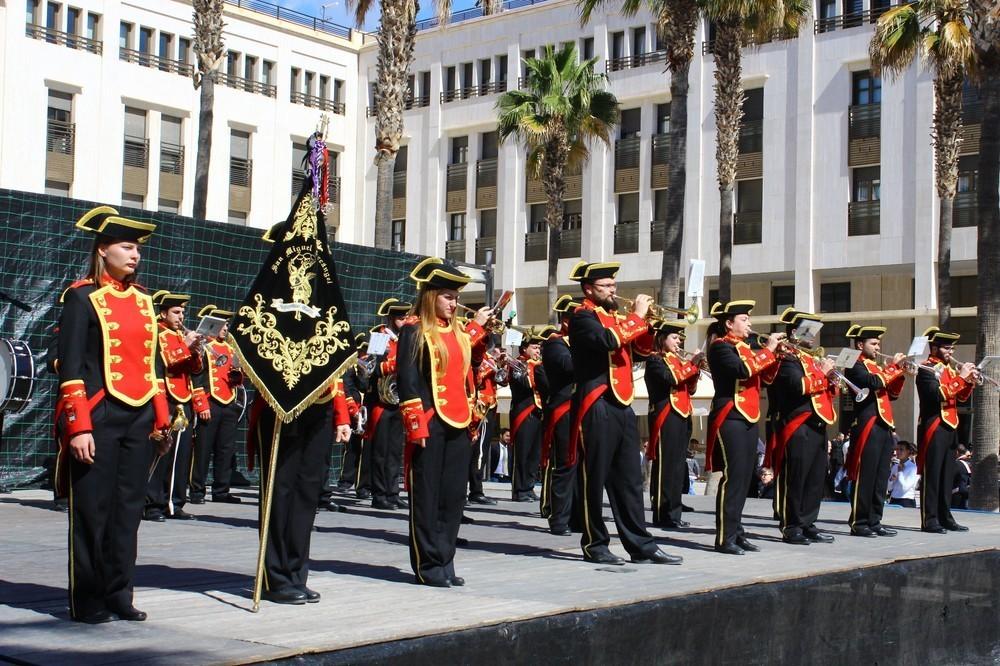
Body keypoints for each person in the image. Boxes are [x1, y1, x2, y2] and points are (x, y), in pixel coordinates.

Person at [55, 205, 171, 623]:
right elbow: (69, 367)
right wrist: (79, 427)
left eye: (137, 248)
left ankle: (119, 593)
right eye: (127, 247)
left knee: (128, 510)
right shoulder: (81, 297)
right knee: (92, 510)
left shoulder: (144, 301)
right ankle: (87, 599)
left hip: (139, 417)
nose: (135, 255)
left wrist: (162, 419)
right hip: (99, 414)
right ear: (103, 250)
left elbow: (153, 366)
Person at [566, 261, 681, 566]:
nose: (613, 291)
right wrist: (637, 317)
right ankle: (595, 543)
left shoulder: (616, 317)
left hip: (622, 403)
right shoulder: (581, 316)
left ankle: (641, 544)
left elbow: (640, 351)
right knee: (594, 478)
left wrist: (649, 325)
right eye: (606, 287)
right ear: (589, 289)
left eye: (614, 286)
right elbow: (608, 341)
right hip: (596, 402)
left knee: (629, 479)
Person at [397, 257, 491, 587]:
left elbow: (470, 367)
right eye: (449, 296)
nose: (455, 303)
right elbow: (407, 380)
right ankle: (428, 564)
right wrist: (415, 425)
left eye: (456, 297)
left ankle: (446, 559)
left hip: (459, 421)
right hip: (430, 420)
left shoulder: (461, 332)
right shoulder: (414, 329)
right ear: (431, 296)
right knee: (426, 496)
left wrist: (482, 327)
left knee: (453, 497)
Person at [248, 380, 353, 604]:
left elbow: (337, 360)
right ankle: (274, 578)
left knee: (307, 493)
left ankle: (296, 574)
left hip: (321, 402)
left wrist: (341, 414)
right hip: (282, 402)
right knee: (280, 491)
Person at [704, 300, 781, 556]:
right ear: (729, 323)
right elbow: (742, 370)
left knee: (745, 477)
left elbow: (766, 378)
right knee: (732, 478)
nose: (750, 323)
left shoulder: (746, 348)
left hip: (748, 417)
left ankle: (737, 532)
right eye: (744, 319)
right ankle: (725, 537)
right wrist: (768, 350)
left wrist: (777, 356)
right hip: (730, 416)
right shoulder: (720, 347)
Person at [769, 308, 838, 545]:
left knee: (815, 477)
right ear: (793, 333)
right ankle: (791, 525)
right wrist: (823, 374)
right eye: (808, 331)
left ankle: (808, 522)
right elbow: (796, 386)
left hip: (818, 422)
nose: (812, 337)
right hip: (797, 423)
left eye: (814, 332)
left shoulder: (811, 358)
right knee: (796, 477)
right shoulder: (785, 358)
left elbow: (825, 390)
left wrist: (832, 378)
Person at [842, 325, 909, 537]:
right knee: (866, 475)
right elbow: (872, 383)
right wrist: (893, 368)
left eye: (878, 343)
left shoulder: (877, 366)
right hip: (868, 423)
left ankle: (875, 520)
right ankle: (859, 522)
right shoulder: (854, 364)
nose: (878, 347)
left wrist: (900, 373)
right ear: (860, 345)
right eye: (873, 343)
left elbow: (893, 393)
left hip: (884, 425)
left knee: (880, 477)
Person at [145, 291, 204, 522]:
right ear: (163, 313)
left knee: (181, 455)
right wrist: (185, 346)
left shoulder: (182, 334)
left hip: (184, 397)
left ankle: (174, 503)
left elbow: (196, 370)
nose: (181, 316)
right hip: (165, 397)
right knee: (161, 453)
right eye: (176, 312)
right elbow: (163, 362)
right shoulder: (157, 333)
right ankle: (151, 505)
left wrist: (196, 351)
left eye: (182, 312)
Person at [916, 327, 975, 533]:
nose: (951, 352)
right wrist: (961, 378)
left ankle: (945, 516)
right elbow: (937, 394)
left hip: (950, 426)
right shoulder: (926, 369)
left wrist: (969, 383)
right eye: (946, 348)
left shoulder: (950, 370)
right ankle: (929, 519)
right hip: (933, 426)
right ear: (934, 348)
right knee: (932, 474)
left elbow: (960, 398)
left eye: (952, 349)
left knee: (946, 475)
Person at [643, 319, 700, 529]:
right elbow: (672, 378)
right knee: (665, 465)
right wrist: (692, 364)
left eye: (679, 339)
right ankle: (663, 512)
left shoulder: (677, 360)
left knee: (677, 465)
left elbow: (690, 389)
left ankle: (675, 506)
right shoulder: (655, 360)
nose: (678, 343)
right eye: (675, 338)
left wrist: (695, 370)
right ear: (662, 339)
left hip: (683, 414)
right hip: (665, 415)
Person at [189, 305, 244, 504]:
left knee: (225, 449)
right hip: (210, 402)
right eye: (222, 324)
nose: (225, 328)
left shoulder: (230, 349)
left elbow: (237, 378)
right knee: (203, 449)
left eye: (227, 324)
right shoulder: (202, 346)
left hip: (228, 403)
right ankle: (197, 491)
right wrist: (201, 404)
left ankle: (221, 490)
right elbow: (195, 377)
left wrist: (238, 376)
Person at [364, 298, 412, 510]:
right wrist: (396, 364)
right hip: (381, 401)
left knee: (395, 451)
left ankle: (393, 492)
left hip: (398, 400)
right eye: (401, 317)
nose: (404, 320)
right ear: (393, 318)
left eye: (406, 317)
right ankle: (379, 494)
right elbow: (370, 368)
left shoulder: (405, 339)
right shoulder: (380, 337)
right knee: (381, 451)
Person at [540, 298, 580, 535]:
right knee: (565, 465)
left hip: (581, 409)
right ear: (566, 321)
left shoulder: (576, 343)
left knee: (582, 466)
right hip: (564, 409)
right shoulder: (555, 343)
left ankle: (577, 517)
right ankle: (559, 519)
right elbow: (569, 367)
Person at [508, 330, 548, 502]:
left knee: (535, 453)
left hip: (538, 412)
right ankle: (519, 490)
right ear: (524, 349)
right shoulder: (518, 364)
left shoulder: (539, 364)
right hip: (524, 411)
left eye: (539, 347)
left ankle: (529, 487)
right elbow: (523, 383)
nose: (538, 351)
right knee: (522, 453)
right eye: (534, 347)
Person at [888, 440, 919, 507]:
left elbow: (904, 488)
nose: (898, 452)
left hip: (906, 500)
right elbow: (889, 488)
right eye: (897, 449)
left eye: (901, 449)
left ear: (908, 452)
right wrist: (891, 480)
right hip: (893, 499)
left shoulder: (913, 468)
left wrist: (900, 473)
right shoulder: (895, 466)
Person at [951, 444, 973, 509]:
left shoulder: (956, 464)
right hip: (966, 492)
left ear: (957, 452)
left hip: (956, 494)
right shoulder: (969, 462)